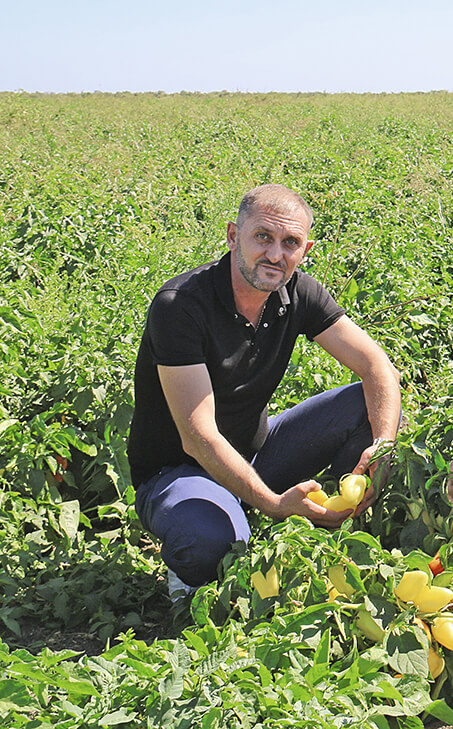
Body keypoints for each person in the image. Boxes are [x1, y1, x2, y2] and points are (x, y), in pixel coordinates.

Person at [128, 184, 401, 591]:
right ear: (233, 235)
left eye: (289, 243)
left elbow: (377, 366)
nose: (275, 255)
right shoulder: (181, 305)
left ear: (304, 250)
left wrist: (382, 446)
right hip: (179, 470)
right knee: (209, 546)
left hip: (255, 453)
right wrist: (273, 505)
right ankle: (207, 541)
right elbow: (197, 437)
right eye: (263, 237)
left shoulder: (298, 292)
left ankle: (333, 535)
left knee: (370, 403)